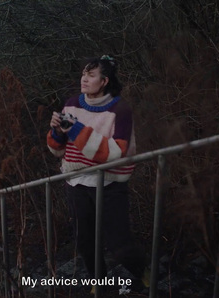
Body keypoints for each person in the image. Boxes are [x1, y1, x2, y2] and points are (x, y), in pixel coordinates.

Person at [47, 55, 148, 293]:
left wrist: (75, 128)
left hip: (110, 182)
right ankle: (99, 283)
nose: (84, 79)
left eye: (91, 75)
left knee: (118, 243)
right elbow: (56, 150)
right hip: (76, 182)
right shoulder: (72, 103)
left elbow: (115, 153)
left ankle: (144, 273)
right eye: (83, 74)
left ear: (104, 81)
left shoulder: (120, 109)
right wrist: (57, 132)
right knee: (85, 241)